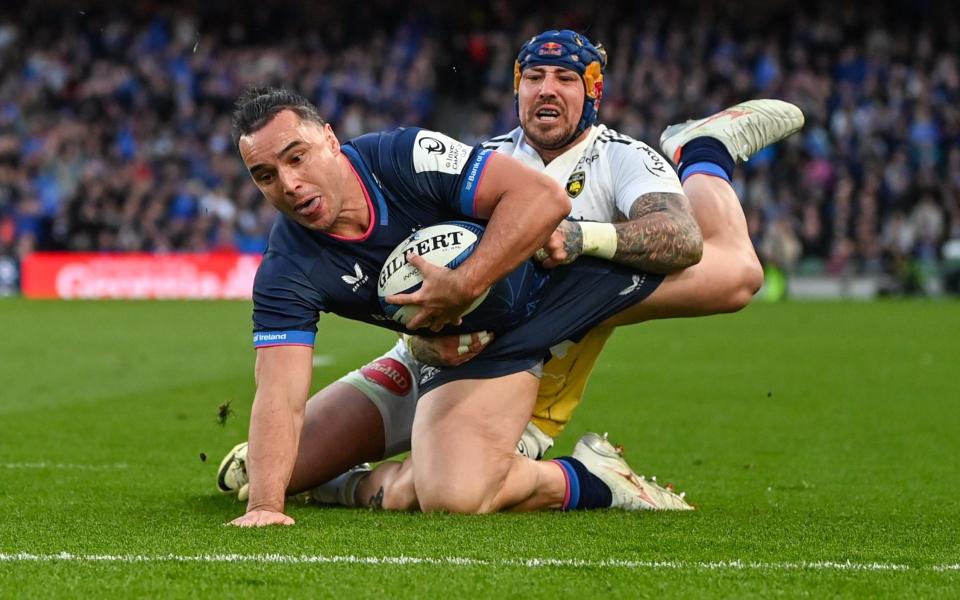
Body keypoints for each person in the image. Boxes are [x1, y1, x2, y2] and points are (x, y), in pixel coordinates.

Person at [225, 30, 803, 525]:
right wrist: (266, 506)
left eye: (565, 78)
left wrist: (562, 246)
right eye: (266, 175)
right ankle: (363, 481)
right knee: (266, 471)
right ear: (516, 88)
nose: (289, 183)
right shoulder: (481, 157)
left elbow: (668, 234)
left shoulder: (617, 156)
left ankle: (703, 151)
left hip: (543, 313)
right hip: (431, 347)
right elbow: (279, 390)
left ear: (329, 138)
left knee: (737, 276)